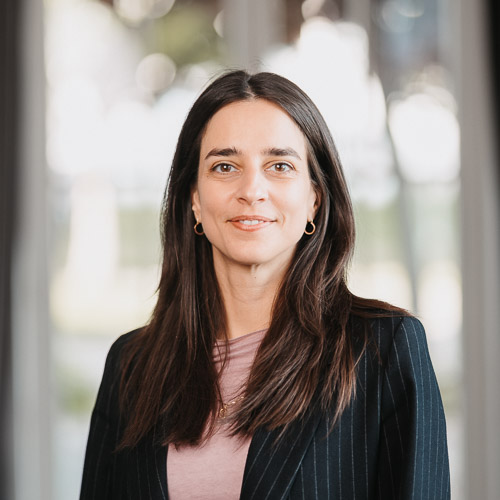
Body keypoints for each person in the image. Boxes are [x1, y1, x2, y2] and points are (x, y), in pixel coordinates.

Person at [80, 70, 450, 499]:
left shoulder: (384, 351)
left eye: (279, 166)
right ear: (194, 199)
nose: (252, 190)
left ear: (314, 199)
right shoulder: (131, 366)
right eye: (224, 166)